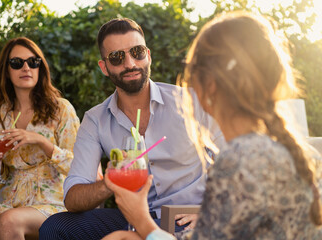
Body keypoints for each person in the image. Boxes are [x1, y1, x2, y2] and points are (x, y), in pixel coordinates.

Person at [102, 11, 322, 240]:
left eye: (191, 70)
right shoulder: (284, 151)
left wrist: (141, 219)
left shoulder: (240, 161)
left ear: (209, 85)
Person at [39, 18, 224, 239]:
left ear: (148, 55)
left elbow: (236, 161)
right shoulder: (96, 120)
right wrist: (110, 183)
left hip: (189, 216)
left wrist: (215, 211)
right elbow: (72, 197)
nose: (130, 64)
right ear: (104, 67)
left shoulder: (192, 101)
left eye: (137, 52)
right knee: (55, 227)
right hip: (132, 217)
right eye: (117, 57)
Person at [0, 37, 80, 240]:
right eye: (17, 63)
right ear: (6, 71)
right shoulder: (0, 114)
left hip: (53, 200)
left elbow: (78, 168)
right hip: (13, 201)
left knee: (9, 220)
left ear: (40, 68)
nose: (26, 67)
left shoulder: (61, 109)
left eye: (33, 62)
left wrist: (42, 142)